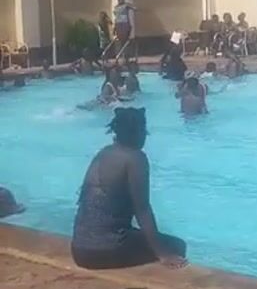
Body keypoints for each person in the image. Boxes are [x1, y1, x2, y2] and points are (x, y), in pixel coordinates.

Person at [71, 108, 186, 269]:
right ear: (137, 132)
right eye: (143, 130)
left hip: (79, 250)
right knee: (177, 245)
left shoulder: (104, 153)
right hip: (104, 251)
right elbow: (142, 210)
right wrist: (162, 254)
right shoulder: (135, 158)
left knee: (140, 236)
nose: (145, 135)